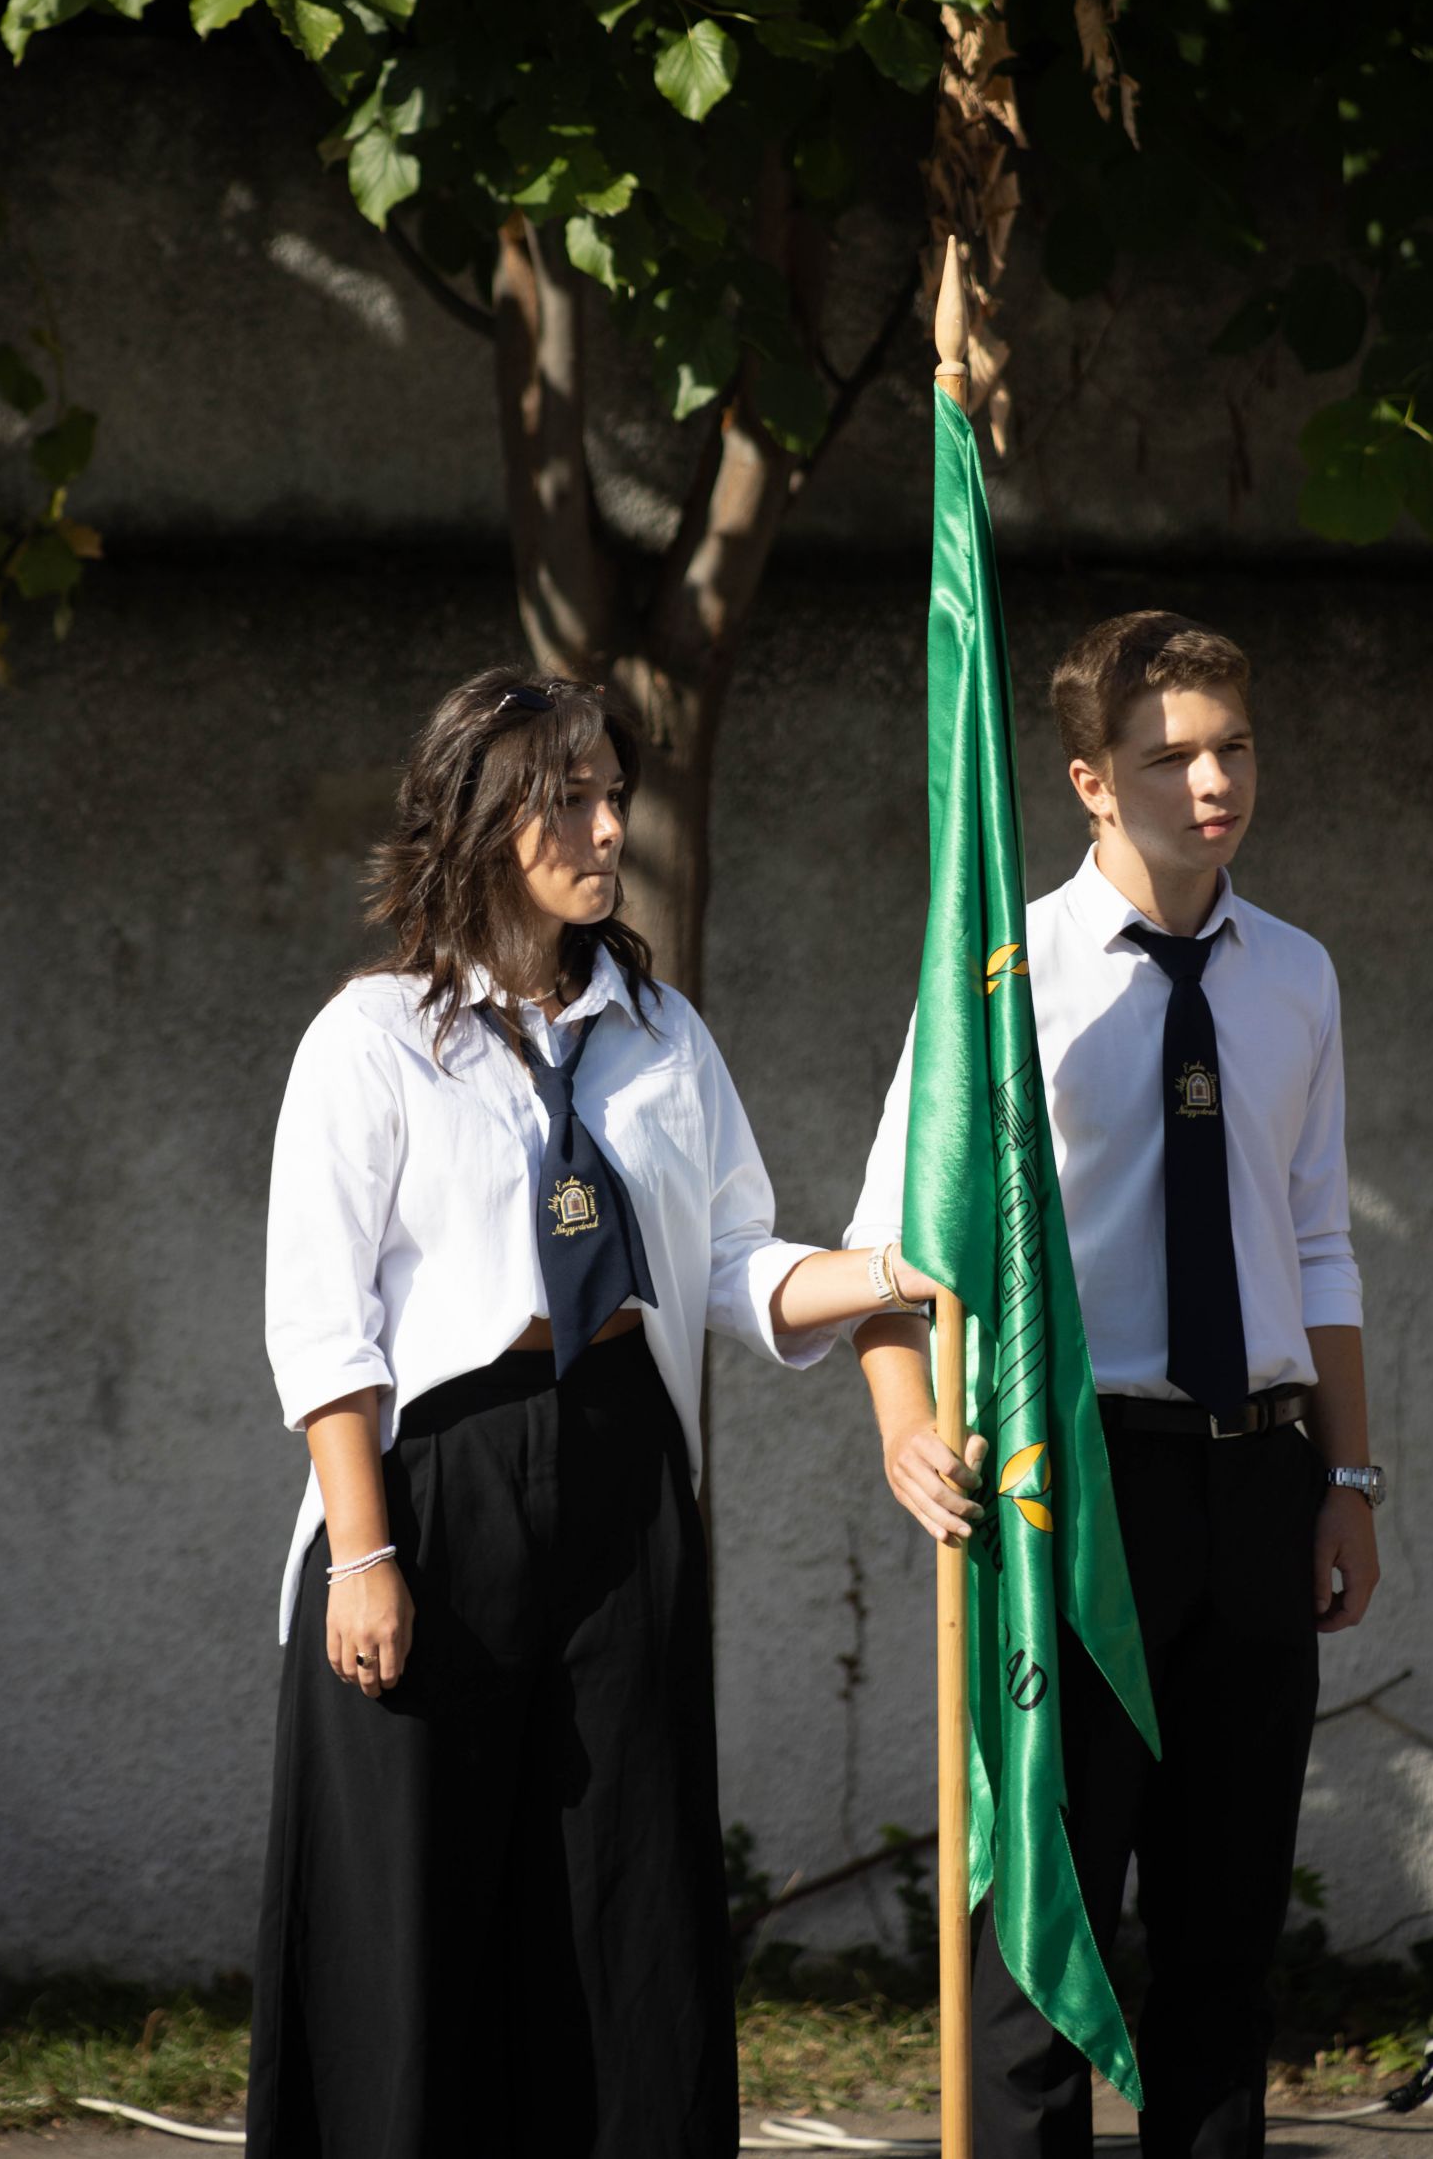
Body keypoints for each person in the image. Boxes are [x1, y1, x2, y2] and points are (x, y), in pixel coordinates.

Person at [244, 666, 933, 2159]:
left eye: (615, 795)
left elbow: (734, 1262)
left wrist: (893, 1270)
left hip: (626, 1477)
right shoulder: (374, 1039)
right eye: (569, 798)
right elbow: (321, 1318)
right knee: (414, 1901)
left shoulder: (661, 1031)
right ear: (481, 816)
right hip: (435, 1484)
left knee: (624, 1892)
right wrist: (364, 1552)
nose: (610, 827)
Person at [847, 610, 1383, 2159]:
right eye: (1171, 759)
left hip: (1260, 1480)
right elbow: (896, 1247)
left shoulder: (1297, 976)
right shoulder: (1000, 980)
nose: (1213, 784)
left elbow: (1320, 1242)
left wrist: (1349, 1481)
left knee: (1226, 1937)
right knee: (1045, 1929)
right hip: (1071, 1492)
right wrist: (905, 1426)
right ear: (1089, 781)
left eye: (1234, 748)